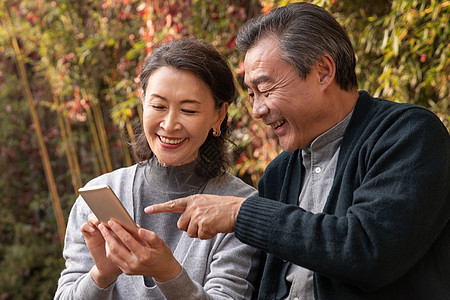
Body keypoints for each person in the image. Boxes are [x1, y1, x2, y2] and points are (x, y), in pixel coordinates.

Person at [146, 2, 450, 299]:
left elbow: (369, 251)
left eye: (265, 90)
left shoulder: (408, 134)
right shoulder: (279, 173)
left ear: (323, 71)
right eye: (251, 94)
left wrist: (241, 212)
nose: (256, 110)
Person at [54, 39, 261, 299]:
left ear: (218, 115)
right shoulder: (99, 195)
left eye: (188, 110)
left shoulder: (239, 207)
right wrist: (102, 274)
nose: (170, 124)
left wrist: (169, 274)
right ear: (142, 101)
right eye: (158, 106)